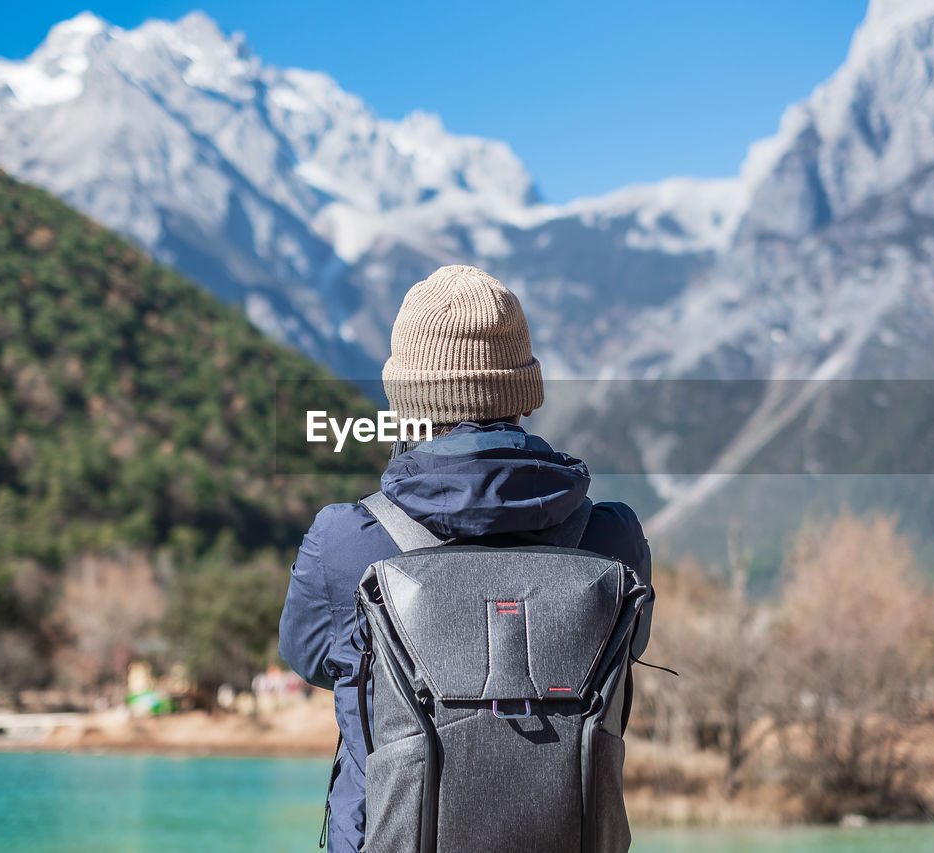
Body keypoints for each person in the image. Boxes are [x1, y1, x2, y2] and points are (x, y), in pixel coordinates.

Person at [279, 264, 654, 852]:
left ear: (406, 399)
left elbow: (308, 658)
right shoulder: (610, 539)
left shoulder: (345, 539)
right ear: (524, 393)